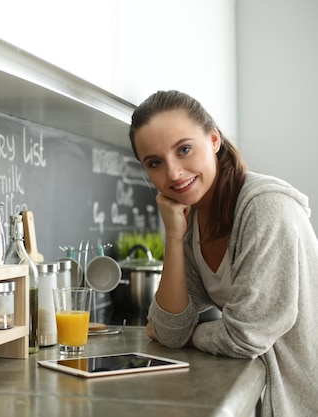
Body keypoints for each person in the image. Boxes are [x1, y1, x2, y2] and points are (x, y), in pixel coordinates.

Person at [128, 90, 318, 417]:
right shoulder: (193, 217)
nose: (173, 173)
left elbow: (243, 337)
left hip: (302, 399)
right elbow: (170, 330)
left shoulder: (266, 209)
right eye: (155, 163)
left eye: (184, 149)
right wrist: (174, 237)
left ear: (214, 139)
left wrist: (192, 336)